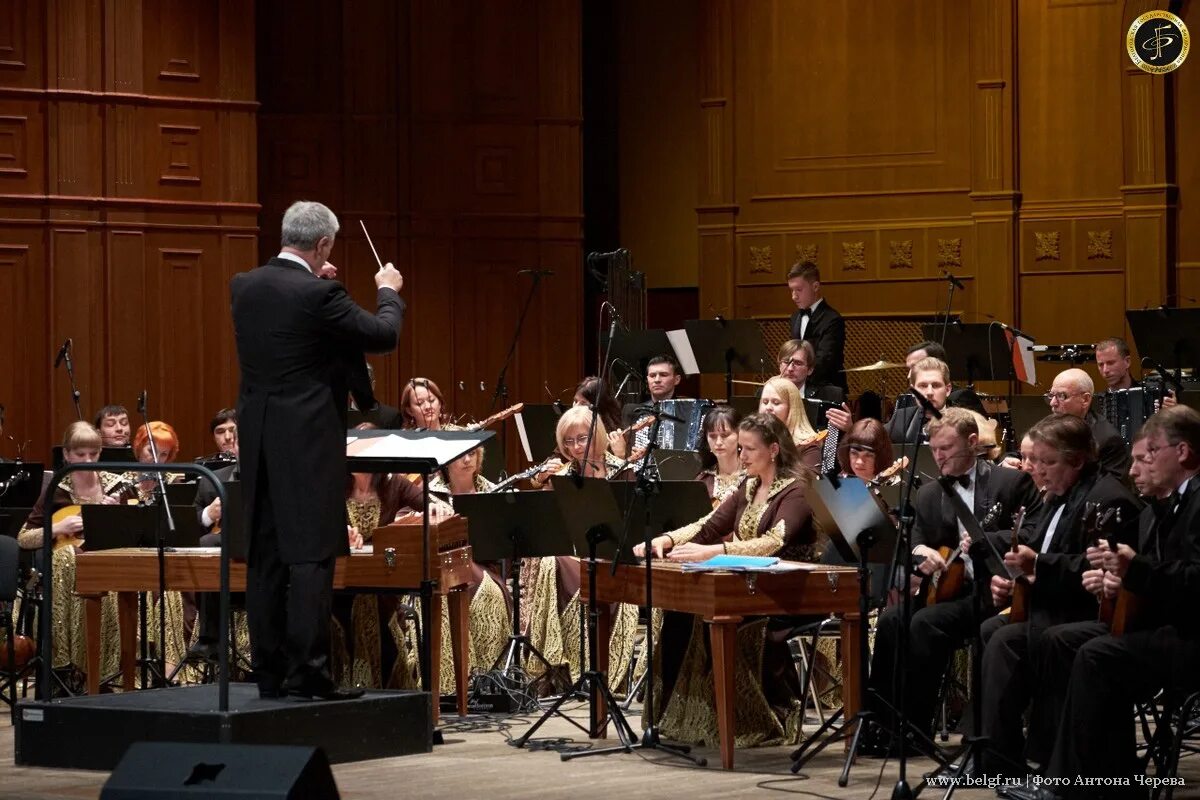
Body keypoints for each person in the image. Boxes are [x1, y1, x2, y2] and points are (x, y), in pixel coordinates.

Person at [230, 200, 404, 701]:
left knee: (265, 555)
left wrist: (318, 283)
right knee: (311, 557)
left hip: (258, 438)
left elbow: (295, 322)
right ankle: (308, 673)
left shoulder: (244, 286)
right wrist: (387, 292)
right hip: (306, 443)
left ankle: (268, 672)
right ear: (324, 244)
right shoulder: (319, 293)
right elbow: (383, 334)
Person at [1013, 406, 1200, 800]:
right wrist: (1114, 584)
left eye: (1144, 458)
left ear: (1181, 452)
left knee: (1098, 655)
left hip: (1190, 636)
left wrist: (1135, 571)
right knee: (1060, 640)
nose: (1132, 472)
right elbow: (1152, 582)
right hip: (1159, 626)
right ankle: (1091, 771)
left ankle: (1074, 782)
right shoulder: (1156, 513)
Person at [635, 413, 821, 746]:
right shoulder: (749, 486)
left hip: (792, 593)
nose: (743, 456)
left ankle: (759, 716)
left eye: (750, 449)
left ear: (774, 450)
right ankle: (680, 714)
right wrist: (666, 540)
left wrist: (712, 552)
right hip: (751, 586)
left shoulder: (798, 490)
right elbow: (707, 525)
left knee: (722, 616)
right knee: (682, 610)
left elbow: (773, 542)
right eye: (742, 448)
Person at [862, 408, 1039, 755]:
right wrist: (921, 551)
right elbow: (912, 542)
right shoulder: (929, 494)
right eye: (934, 448)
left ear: (972, 443)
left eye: (946, 448)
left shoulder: (1010, 483)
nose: (938, 456)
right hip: (949, 589)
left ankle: (915, 729)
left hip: (996, 592)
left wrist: (989, 541)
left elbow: (1032, 531)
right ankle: (882, 725)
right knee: (890, 621)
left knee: (925, 624)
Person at [979, 414, 1139, 777]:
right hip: (1051, 607)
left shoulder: (1108, 497)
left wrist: (1039, 566)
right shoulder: (1058, 494)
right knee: (994, 631)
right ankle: (998, 758)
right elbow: (1036, 554)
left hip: (1081, 611)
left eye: (1049, 462)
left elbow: (1099, 565)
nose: (1039, 470)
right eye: (1036, 460)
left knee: (1009, 640)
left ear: (1078, 460)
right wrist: (1011, 581)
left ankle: (1044, 760)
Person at [16, 422, 137, 679]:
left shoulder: (117, 486)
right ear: (67, 455)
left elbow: (136, 535)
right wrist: (57, 527)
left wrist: (115, 517)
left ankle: (110, 670)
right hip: (69, 569)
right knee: (66, 557)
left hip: (110, 564)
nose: (88, 460)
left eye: (93, 453)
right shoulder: (57, 489)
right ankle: (70, 665)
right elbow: (24, 538)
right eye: (80, 454)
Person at [1045, 367, 1131, 478]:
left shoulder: (1107, 440)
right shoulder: (1050, 426)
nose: (1053, 403)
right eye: (1051, 395)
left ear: (1085, 400)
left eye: (1062, 396)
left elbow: (1110, 490)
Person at [787, 263, 846, 391]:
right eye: (791, 290)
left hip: (827, 391)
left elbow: (824, 361)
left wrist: (795, 377)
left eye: (799, 290)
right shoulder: (795, 317)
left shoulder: (833, 319)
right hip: (801, 388)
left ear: (815, 286)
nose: (793, 296)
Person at [885, 356, 952, 442]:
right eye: (923, 386)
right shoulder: (900, 419)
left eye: (935, 385)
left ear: (947, 390)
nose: (929, 392)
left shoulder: (964, 421)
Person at [696, 405, 744, 505]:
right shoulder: (702, 480)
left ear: (740, 436)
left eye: (725, 435)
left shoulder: (755, 475)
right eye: (712, 436)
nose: (718, 442)